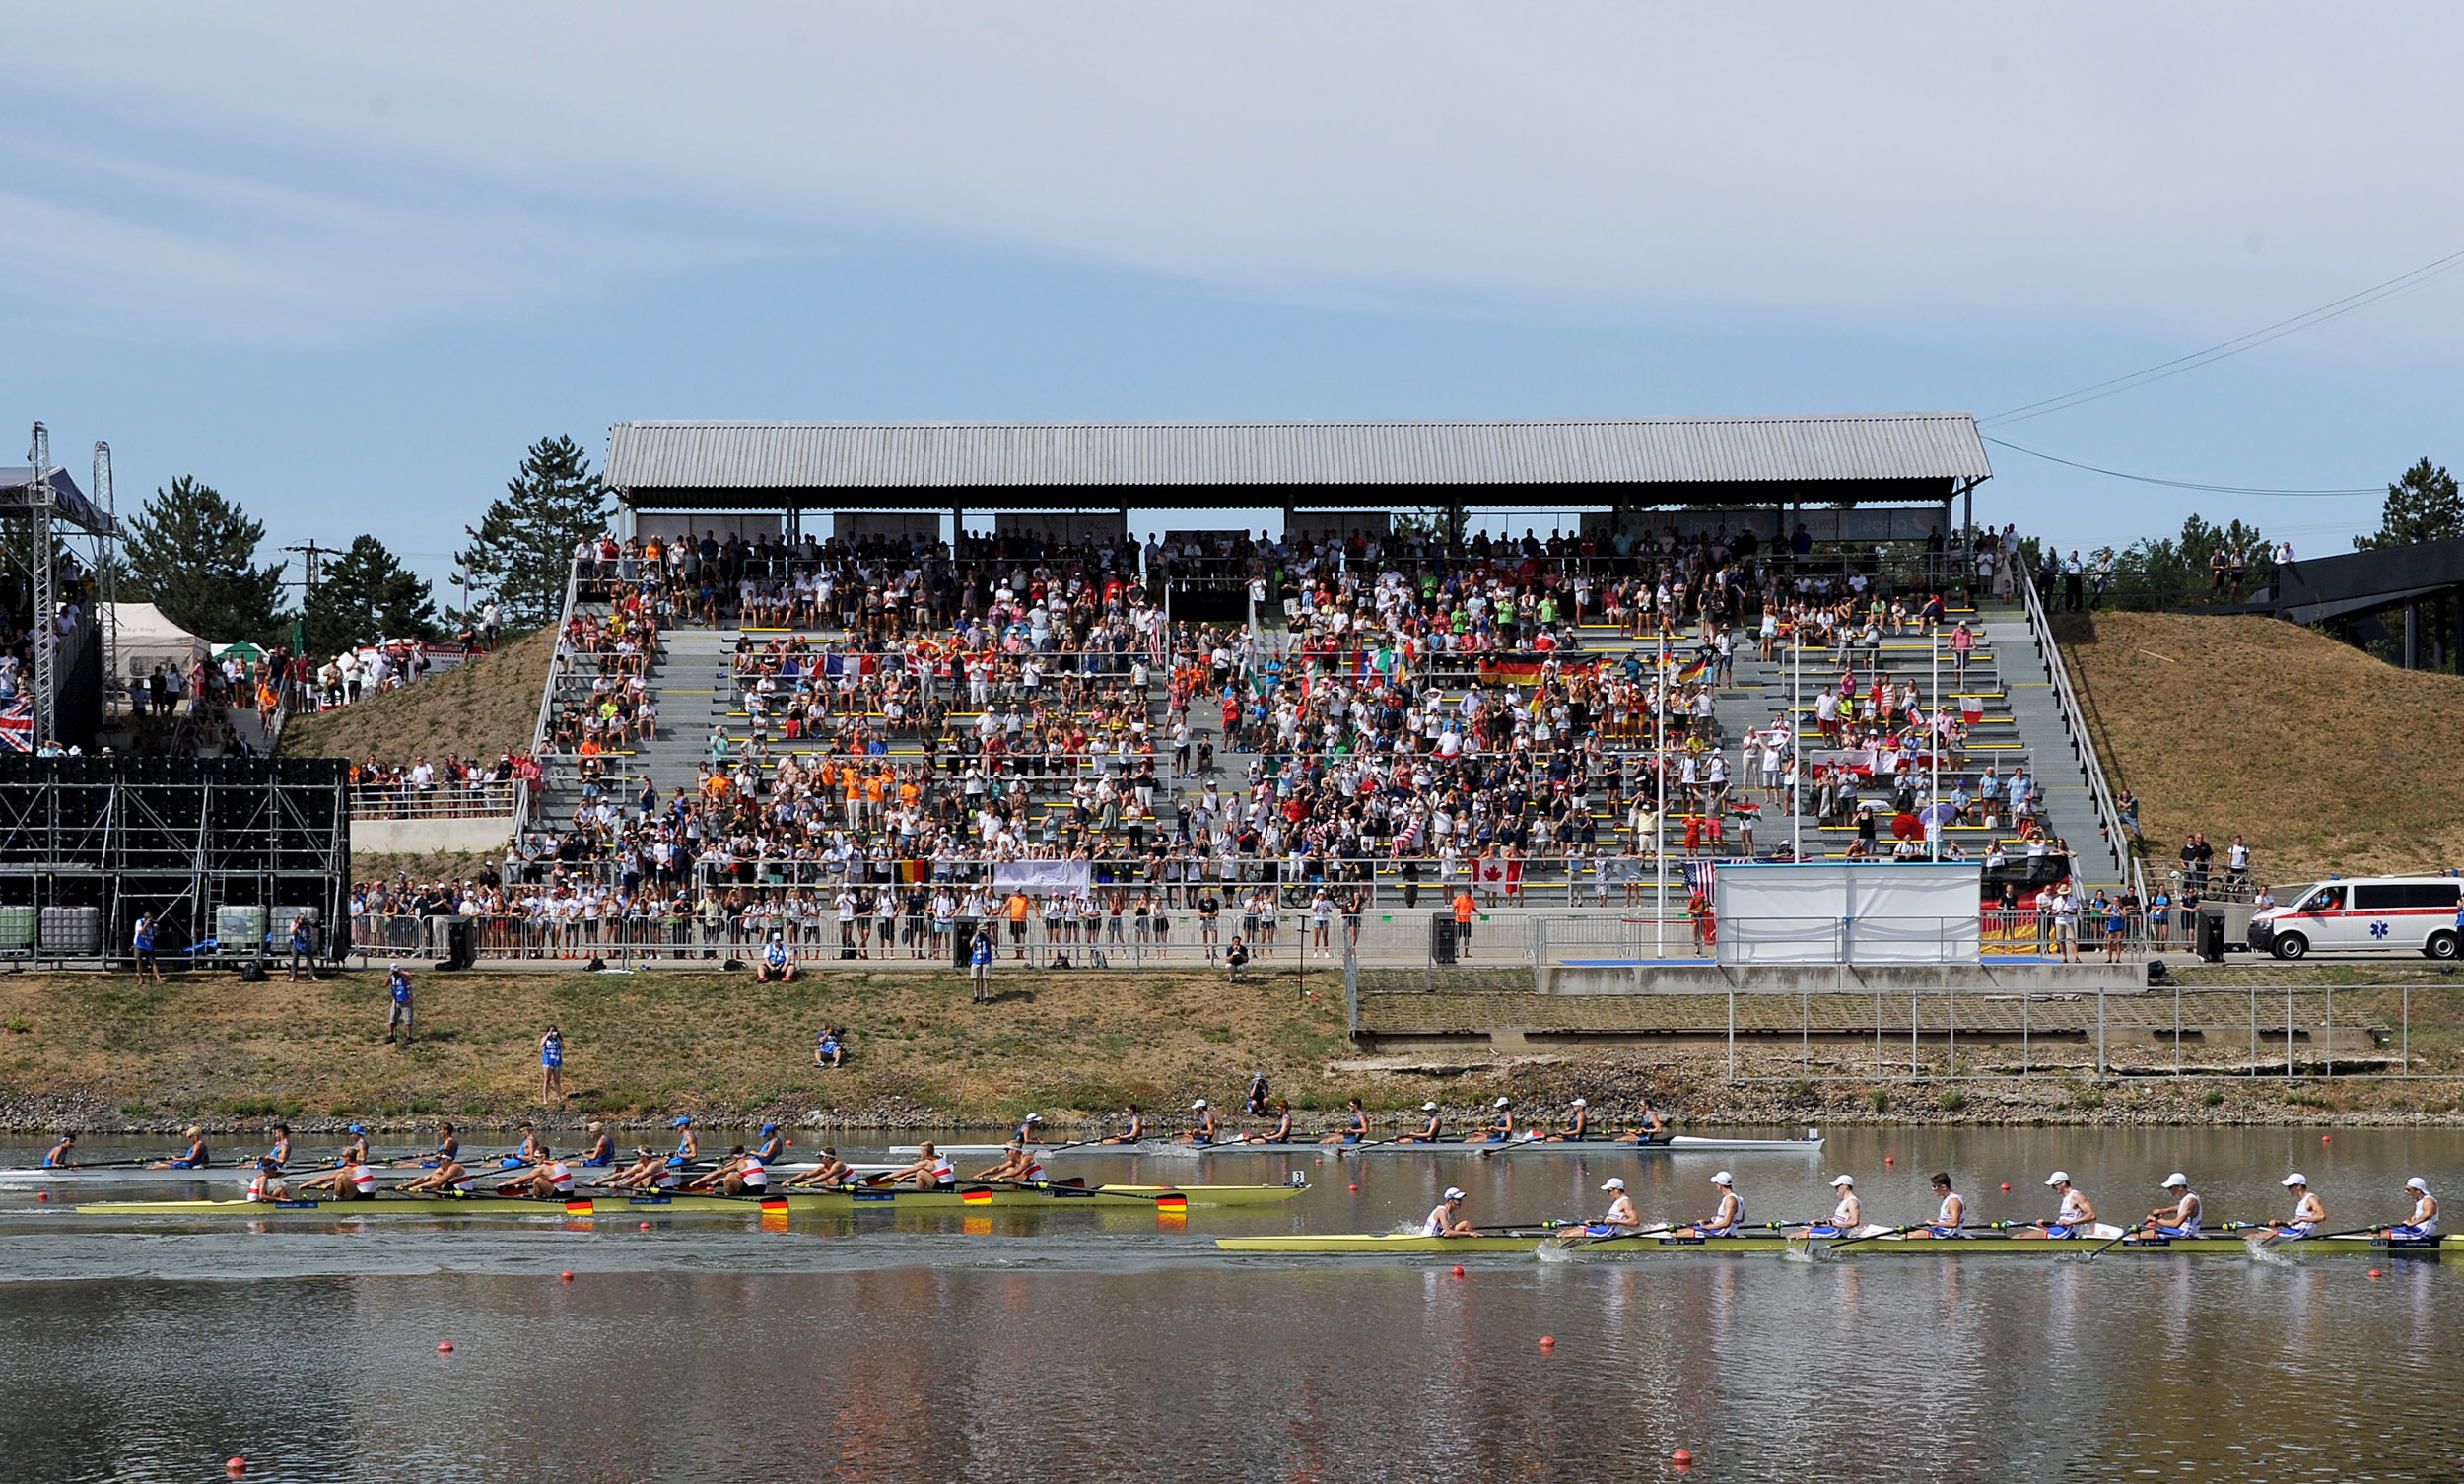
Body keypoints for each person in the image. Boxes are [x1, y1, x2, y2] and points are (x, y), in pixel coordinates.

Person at [2016, 1170, 2095, 1239]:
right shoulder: (2066, 1198)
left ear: (2063, 1183)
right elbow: (2062, 1221)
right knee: (2019, 1236)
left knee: (2019, 1238)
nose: (2053, 1188)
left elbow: (2092, 1216)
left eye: (2054, 1185)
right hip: (2058, 1230)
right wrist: (2045, 1224)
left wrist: (2071, 1223)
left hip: (2065, 1233)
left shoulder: (2076, 1196)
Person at [2252, 1174, 2325, 1242]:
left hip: (2301, 1233)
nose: (2288, 1189)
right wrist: (2280, 1223)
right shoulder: (2302, 1201)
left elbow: (2322, 1216)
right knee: (2254, 1235)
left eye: (2290, 1187)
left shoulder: (2311, 1199)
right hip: (2295, 1231)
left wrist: (2301, 1220)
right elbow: (2296, 1223)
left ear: (2299, 1186)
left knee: (2269, 1234)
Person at [1902, 1172, 1964, 1239]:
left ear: (1943, 1187)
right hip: (1941, 1230)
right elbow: (1947, 1219)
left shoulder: (1953, 1201)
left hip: (1948, 1233)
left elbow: (1954, 1223)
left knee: (1907, 1236)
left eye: (1934, 1187)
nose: (1933, 1190)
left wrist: (1934, 1224)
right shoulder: (1948, 1199)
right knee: (1907, 1234)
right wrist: (1935, 1221)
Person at [2142, 1173, 2203, 1237]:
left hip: (2184, 1233)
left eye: (2170, 1187)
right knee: (2143, 1232)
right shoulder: (2188, 1195)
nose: (2169, 1190)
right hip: (2179, 1230)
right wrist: (2164, 1211)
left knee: (2143, 1235)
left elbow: (2175, 1224)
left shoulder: (2191, 1200)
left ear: (2180, 1187)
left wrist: (2155, 1219)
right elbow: (2182, 1207)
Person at [1686, 1171, 1745, 1237]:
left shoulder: (1730, 1200)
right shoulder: (1739, 1198)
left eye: (1716, 1184)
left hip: (1720, 1233)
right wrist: (1717, 1218)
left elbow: (1726, 1223)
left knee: (1676, 1234)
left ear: (1720, 1185)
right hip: (1724, 1231)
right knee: (1684, 1231)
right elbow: (1740, 1219)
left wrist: (1705, 1226)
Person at [884, 1140, 957, 1191]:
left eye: (921, 1151)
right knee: (921, 1172)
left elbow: (904, 1171)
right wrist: (904, 1177)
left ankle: (919, 1195)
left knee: (920, 1173)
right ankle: (923, 1192)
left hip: (943, 1187)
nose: (920, 1153)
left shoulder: (927, 1163)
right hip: (950, 1186)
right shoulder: (939, 1158)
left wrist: (888, 1176)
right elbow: (908, 1173)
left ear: (925, 1152)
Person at [786, 1146, 857, 1188]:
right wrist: (790, 1181)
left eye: (821, 1157)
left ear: (827, 1157)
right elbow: (807, 1174)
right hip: (842, 1185)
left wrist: (807, 1183)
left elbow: (825, 1176)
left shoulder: (838, 1164)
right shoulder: (824, 1168)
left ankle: (828, 1198)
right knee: (824, 1180)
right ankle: (827, 1196)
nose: (820, 1159)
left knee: (826, 1180)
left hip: (852, 1186)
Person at [398, 1156, 474, 1196]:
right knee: (434, 1176)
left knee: (436, 1177)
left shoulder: (455, 1167)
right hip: (453, 1191)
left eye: (439, 1159)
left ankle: (436, 1201)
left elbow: (439, 1182)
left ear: (446, 1160)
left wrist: (420, 1186)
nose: (437, 1161)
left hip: (464, 1193)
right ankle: (437, 1199)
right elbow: (425, 1178)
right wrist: (405, 1185)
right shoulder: (442, 1168)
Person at [385, 963, 414, 1046]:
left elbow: (410, 977)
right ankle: (392, 1035)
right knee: (392, 1019)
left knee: (408, 1020)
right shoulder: (392, 977)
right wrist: (390, 976)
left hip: (406, 1001)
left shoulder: (404, 974)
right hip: (396, 1000)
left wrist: (401, 972)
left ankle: (409, 1036)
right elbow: (386, 985)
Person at [132, 913, 164, 983]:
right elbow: (141, 933)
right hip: (139, 944)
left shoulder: (153, 924)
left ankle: (158, 978)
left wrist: (157, 929)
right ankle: (141, 978)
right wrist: (146, 924)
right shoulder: (139, 922)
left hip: (149, 944)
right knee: (139, 961)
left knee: (153, 961)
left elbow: (157, 935)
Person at [969, 922, 996, 1002]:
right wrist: (977, 935)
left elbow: (995, 943)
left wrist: (987, 936)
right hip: (976, 960)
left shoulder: (988, 937)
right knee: (975, 978)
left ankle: (987, 996)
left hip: (986, 960)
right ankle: (976, 995)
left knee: (986, 979)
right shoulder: (975, 937)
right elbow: (971, 945)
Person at [539, 1024, 565, 1106]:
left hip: (557, 1061)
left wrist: (557, 1038)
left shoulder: (557, 1039)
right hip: (548, 1061)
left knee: (557, 1080)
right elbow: (541, 1044)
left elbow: (563, 1047)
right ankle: (545, 1099)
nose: (552, 1032)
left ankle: (558, 1098)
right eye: (551, 1030)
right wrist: (547, 1035)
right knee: (547, 1080)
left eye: (554, 1030)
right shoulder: (545, 1038)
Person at [286, 912, 316, 980]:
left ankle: (313, 975)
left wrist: (308, 923)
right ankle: (293, 976)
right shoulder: (294, 923)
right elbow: (292, 932)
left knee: (310, 959)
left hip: (306, 943)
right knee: (295, 958)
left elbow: (314, 927)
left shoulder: (307, 924)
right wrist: (297, 925)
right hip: (296, 943)